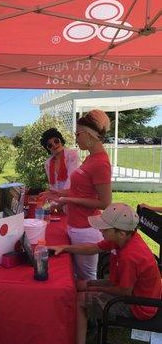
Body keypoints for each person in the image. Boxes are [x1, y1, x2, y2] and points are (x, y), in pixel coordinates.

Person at [49, 203, 162, 344]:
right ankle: (87, 326)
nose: (100, 231)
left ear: (121, 233)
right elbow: (93, 248)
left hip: (138, 305)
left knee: (80, 300)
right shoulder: (122, 238)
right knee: (78, 286)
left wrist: (94, 289)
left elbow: (123, 292)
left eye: (104, 229)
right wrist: (65, 247)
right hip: (128, 290)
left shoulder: (129, 256)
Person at [57, 109, 112, 280]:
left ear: (90, 135)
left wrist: (69, 199)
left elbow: (105, 203)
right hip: (75, 224)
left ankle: (89, 307)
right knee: (75, 275)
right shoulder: (90, 158)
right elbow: (82, 190)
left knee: (86, 278)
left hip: (86, 229)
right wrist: (59, 193)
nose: (76, 138)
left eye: (78, 134)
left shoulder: (101, 163)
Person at [40, 127, 80, 192]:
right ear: (48, 149)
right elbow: (52, 186)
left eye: (56, 141)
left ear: (61, 140)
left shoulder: (72, 155)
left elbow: (72, 179)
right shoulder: (48, 163)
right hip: (58, 198)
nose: (54, 145)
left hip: (73, 194)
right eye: (50, 145)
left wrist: (61, 196)